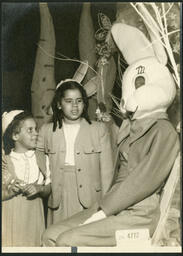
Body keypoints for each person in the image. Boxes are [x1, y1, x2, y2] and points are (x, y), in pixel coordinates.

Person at [42, 22, 180, 247]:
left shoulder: (163, 132)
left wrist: (103, 211)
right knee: (49, 234)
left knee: (68, 240)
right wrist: (103, 208)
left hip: (139, 215)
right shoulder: (129, 126)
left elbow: (140, 181)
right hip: (113, 207)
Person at [36, 80, 114, 225]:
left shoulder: (98, 129)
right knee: (57, 237)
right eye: (69, 101)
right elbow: (38, 153)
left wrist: (106, 203)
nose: (75, 106)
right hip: (59, 194)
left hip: (90, 197)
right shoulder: (47, 130)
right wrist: (47, 176)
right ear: (59, 104)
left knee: (85, 238)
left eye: (79, 101)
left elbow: (107, 171)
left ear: (84, 103)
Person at [2, 110, 51, 247]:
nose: (36, 133)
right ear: (15, 135)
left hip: (34, 217)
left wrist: (39, 188)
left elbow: (48, 188)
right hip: (10, 216)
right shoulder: (5, 161)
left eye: (36, 129)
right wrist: (10, 191)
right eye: (30, 130)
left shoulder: (42, 159)